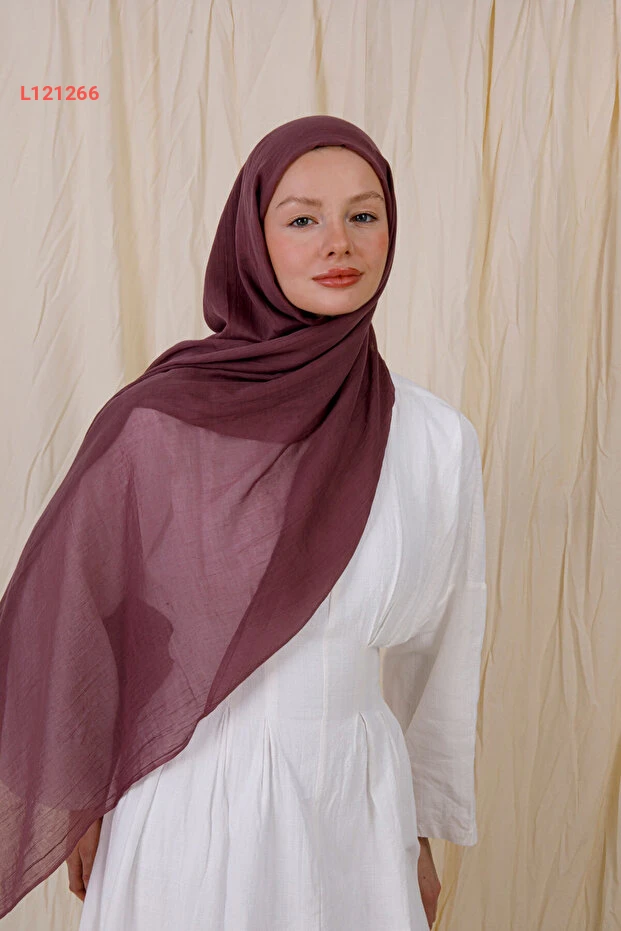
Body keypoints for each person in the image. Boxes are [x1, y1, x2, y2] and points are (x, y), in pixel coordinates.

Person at [0, 116, 487, 930]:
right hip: (186, 798)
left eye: (363, 215)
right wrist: (80, 797)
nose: (338, 242)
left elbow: (439, 653)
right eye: (302, 219)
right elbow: (75, 616)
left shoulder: (437, 438)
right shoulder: (161, 423)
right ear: (252, 242)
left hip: (357, 811)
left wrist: (419, 831)